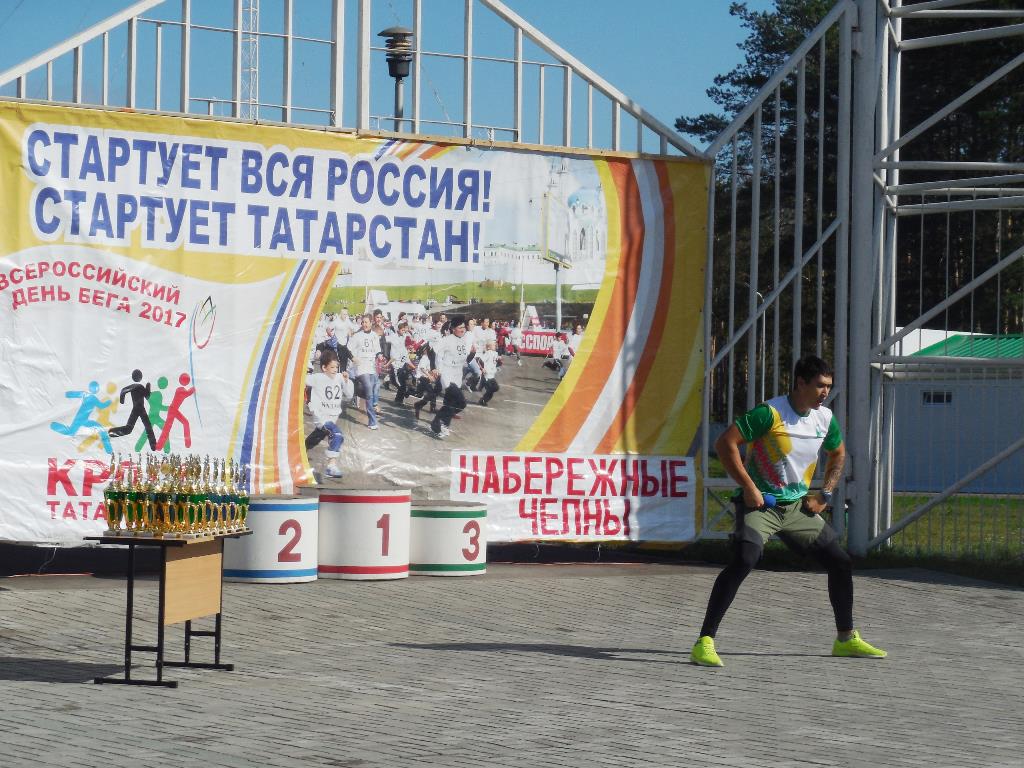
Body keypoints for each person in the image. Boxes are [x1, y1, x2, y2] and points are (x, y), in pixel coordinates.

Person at [691, 355, 887, 668]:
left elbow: (838, 454)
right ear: (800, 383)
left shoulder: (824, 418)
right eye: (820, 386)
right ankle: (704, 642)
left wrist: (825, 494)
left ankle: (845, 639)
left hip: (796, 508)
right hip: (761, 505)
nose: (825, 392)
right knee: (745, 559)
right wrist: (749, 488)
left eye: (829, 386)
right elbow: (725, 444)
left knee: (840, 562)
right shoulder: (769, 413)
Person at [304, 350, 354, 479]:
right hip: (321, 416)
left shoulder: (339, 377)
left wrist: (347, 381)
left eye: (336, 367)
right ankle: (331, 466)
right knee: (337, 435)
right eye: (332, 367)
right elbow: (300, 380)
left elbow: (349, 395)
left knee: (316, 437)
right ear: (324, 367)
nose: (335, 370)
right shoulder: (317, 378)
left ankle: (298, 453)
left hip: (333, 417)